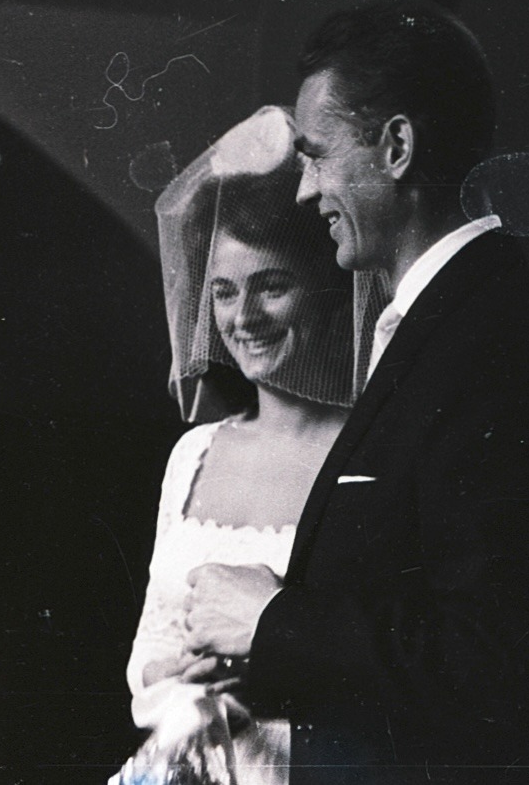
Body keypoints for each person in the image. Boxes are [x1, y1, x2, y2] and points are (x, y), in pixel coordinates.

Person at [179, 0, 529, 781]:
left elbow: (502, 655)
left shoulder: (497, 342)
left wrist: (273, 622)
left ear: (396, 147)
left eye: (317, 157)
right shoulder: (446, 326)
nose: (307, 191)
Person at [115, 106, 359, 785]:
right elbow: (150, 659)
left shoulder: (366, 455)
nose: (242, 318)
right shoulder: (193, 455)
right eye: (223, 292)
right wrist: (183, 679)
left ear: (331, 293)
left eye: (271, 286)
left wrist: (270, 657)